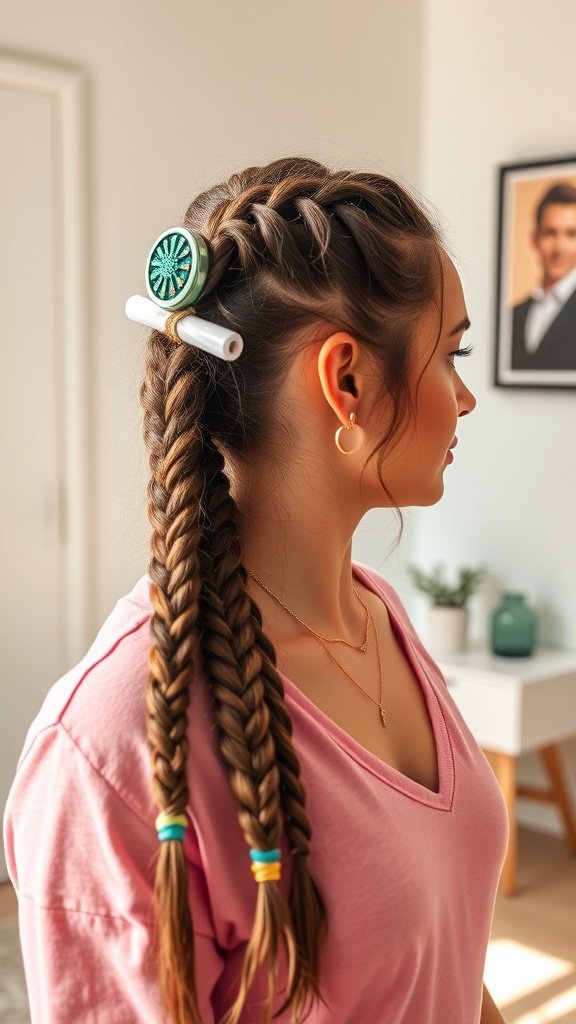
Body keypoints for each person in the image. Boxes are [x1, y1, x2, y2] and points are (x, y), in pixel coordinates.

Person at [3, 157, 509, 1024]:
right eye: (450, 354)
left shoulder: (380, 616)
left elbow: (444, 969)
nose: (464, 398)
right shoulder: (108, 749)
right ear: (346, 380)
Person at [511, 183, 576, 371]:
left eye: (571, 234)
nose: (559, 248)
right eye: (550, 233)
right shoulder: (513, 315)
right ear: (535, 238)